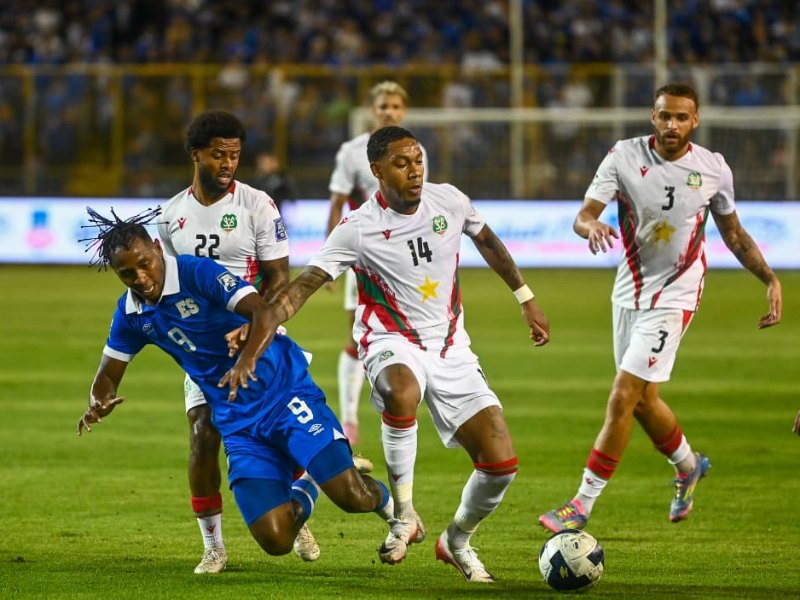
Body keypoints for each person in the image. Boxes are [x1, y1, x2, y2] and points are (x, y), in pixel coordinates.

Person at [232, 126, 550, 583]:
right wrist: (265, 322)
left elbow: (488, 242)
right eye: (402, 164)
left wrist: (525, 296)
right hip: (389, 341)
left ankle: (457, 539)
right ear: (377, 171)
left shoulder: (450, 201)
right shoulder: (358, 228)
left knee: (501, 466)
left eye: (419, 160)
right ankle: (404, 515)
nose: (415, 171)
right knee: (401, 393)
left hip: (451, 346)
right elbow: (303, 286)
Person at [75, 208, 396, 568]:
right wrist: (97, 400)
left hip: (282, 391)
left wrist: (245, 360)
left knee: (352, 496)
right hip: (237, 419)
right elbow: (108, 373)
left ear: (155, 247)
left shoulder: (198, 273)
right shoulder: (132, 313)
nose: (141, 277)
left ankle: (399, 514)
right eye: (127, 273)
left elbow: (264, 313)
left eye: (145, 263)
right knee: (276, 540)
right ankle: (309, 482)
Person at [538, 82, 783, 533]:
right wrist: (590, 226)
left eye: (681, 117)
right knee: (645, 401)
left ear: (696, 121)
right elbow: (583, 214)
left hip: (678, 292)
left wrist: (769, 278)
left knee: (623, 395)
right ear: (653, 117)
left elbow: (733, 232)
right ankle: (689, 465)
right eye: (664, 116)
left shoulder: (712, 168)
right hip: (628, 290)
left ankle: (581, 503)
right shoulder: (623, 156)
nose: (672, 125)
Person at [155, 110, 320, 572]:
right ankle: (213, 546)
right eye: (218, 154)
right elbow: (165, 285)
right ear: (196, 154)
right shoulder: (171, 216)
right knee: (203, 433)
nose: (228, 162)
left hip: (258, 333)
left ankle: (297, 499)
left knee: (278, 432)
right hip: (203, 348)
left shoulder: (258, 205)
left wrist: (252, 325)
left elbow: (279, 276)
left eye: (235, 154)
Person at [325, 81, 428, 445]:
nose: (390, 112)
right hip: (366, 256)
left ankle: (402, 399)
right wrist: (331, 258)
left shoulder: (416, 151)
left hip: (406, 261)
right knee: (356, 334)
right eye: (384, 106)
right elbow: (338, 202)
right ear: (373, 109)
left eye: (396, 107)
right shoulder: (352, 152)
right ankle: (350, 419)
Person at [251, 151, 297, 216]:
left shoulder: (283, 179)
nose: (262, 165)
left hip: (277, 216)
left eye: (267, 162)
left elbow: (291, 197)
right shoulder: (254, 181)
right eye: (261, 162)